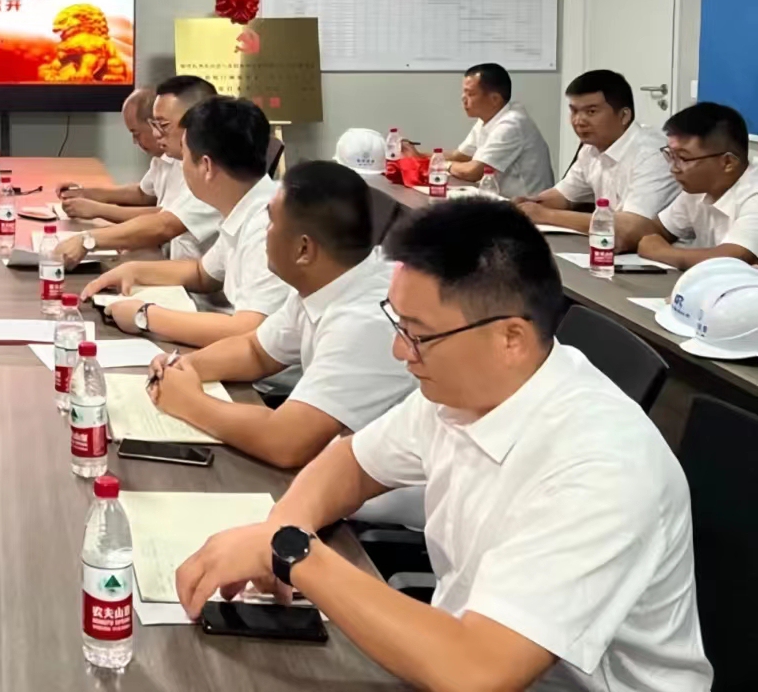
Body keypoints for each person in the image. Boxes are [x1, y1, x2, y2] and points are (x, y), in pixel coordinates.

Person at [175, 200, 711, 692]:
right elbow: (350, 463)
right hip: (461, 653)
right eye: (398, 322)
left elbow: (477, 671)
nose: (399, 349)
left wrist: (293, 555)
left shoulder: (603, 466)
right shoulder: (465, 390)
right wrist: (281, 530)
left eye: (418, 333)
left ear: (510, 338)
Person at [145, 161, 413, 469]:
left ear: (303, 250)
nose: (265, 232)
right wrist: (185, 367)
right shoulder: (329, 279)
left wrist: (189, 402)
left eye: (271, 222)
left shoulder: (365, 321)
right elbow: (256, 351)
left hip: (386, 495)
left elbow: (286, 442)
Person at [97, 97, 293, 348]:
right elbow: (202, 274)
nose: (182, 166)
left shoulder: (268, 226)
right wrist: (134, 271)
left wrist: (145, 316)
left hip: (260, 370)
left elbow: (247, 331)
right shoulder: (245, 205)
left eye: (185, 156)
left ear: (206, 166)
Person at [54, 77, 222, 269]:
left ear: (197, 123)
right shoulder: (188, 161)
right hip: (182, 270)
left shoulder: (213, 172)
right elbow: (199, 274)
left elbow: (164, 224)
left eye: (163, 125)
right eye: (154, 125)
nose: (157, 134)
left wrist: (88, 238)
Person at [516, 69, 677, 245]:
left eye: (591, 112)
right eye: (574, 111)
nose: (579, 121)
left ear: (624, 116)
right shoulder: (590, 149)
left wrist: (546, 215)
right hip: (613, 246)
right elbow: (564, 196)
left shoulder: (652, 154)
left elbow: (631, 226)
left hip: (659, 253)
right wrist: (527, 205)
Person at [625, 102, 758, 269]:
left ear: (728, 162)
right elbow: (658, 229)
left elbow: (731, 258)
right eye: (671, 155)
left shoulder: (753, 193)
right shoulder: (697, 188)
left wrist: (661, 252)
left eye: (683, 158)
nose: (673, 168)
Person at [407, 63, 553, 197]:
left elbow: (473, 172)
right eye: (464, 93)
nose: (463, 98)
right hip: (501, 200)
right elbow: (461, 156)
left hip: (526, 208)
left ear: (495, 99)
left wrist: (440, 165)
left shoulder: (512, 124)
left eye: (470, 94)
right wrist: (418, 155)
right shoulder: (489, 117)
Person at [53, 85, 172, 224]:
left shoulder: (185, 162)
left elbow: (167, 218)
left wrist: (98, 210)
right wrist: (86, 194)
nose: (135, 141)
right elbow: (144, 193)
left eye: (136, 133)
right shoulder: (163, 159)